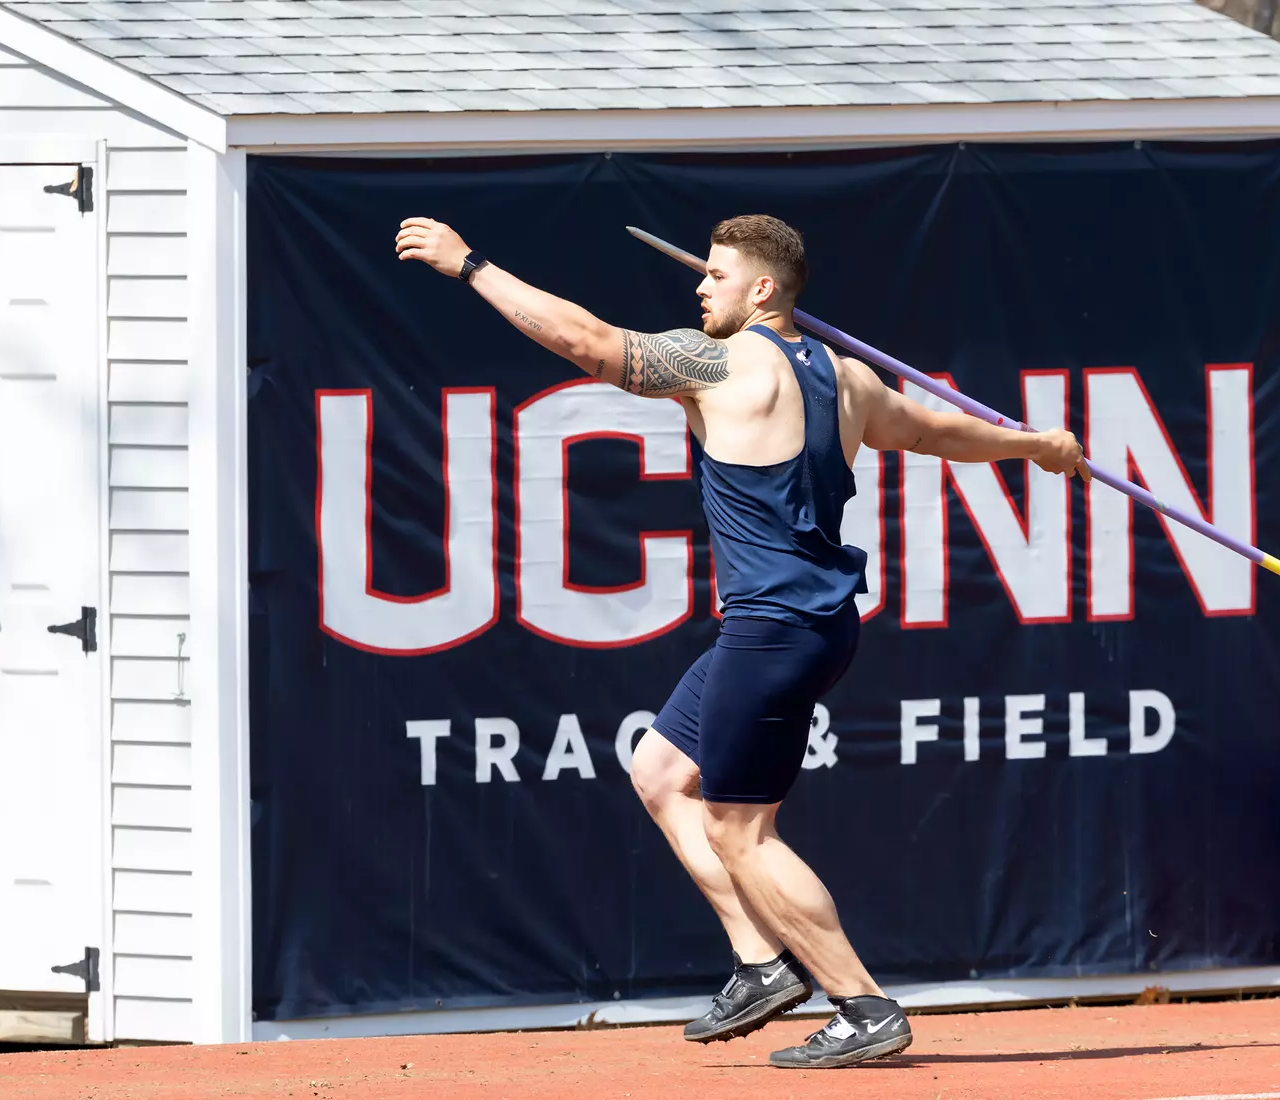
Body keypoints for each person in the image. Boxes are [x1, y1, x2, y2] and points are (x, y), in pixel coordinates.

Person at [394, 213, 1085, 1068]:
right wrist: (1038, 446)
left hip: (773, 630)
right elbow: (938, 432)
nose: (699, 286)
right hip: (808, 624)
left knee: (740, 831)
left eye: (715, 275)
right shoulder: (850, 378)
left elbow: (583, 339)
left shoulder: (717, 366)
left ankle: (863, 1005)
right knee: (658, 768)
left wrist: (472, 267)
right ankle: (761, 965)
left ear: (762, 288)